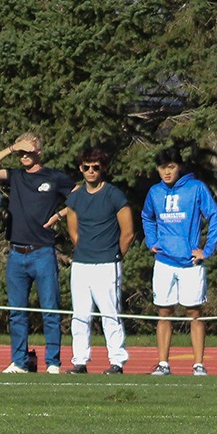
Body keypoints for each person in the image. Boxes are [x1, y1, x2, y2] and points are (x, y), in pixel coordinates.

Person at [0, 132, 71, 373]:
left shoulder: (54, 177)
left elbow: (79, 197)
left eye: (28, 152)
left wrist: (60, 215)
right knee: (17, 312)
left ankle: (53, 362)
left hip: (42, 252)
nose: (24, 157)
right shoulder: (16, 176)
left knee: (50, 310)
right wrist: (11, 148)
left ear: (39, 152)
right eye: (21, 153)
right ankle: (19, 362)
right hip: (16, 253)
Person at [141, 147, 217, 376]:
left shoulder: (196, 188)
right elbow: (147, 216)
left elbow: (215, 216)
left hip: (190, 264)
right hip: (164, 261)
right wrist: (152, 241)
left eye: (171, 167)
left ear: (179, 167)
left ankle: (198, 365)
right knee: (164, 312)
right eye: (162, 168)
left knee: (194, 313)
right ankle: (163, 364)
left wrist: (207, 249)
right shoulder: (155, 192)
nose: (166, 173)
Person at [59, 147, 135, 374]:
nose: (91, 171)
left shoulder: (114, 195)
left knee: (110, 313)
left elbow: (128, 233)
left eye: (95, 167)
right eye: (86, 167)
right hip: (82, 264)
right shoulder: (75, 198)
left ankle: (117, 360)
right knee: (80, 314)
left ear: (103, 168)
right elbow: (73, 232)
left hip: (107, 264)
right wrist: (85, 250)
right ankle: (80, 360)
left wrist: (114, 255)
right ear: (81, 169)